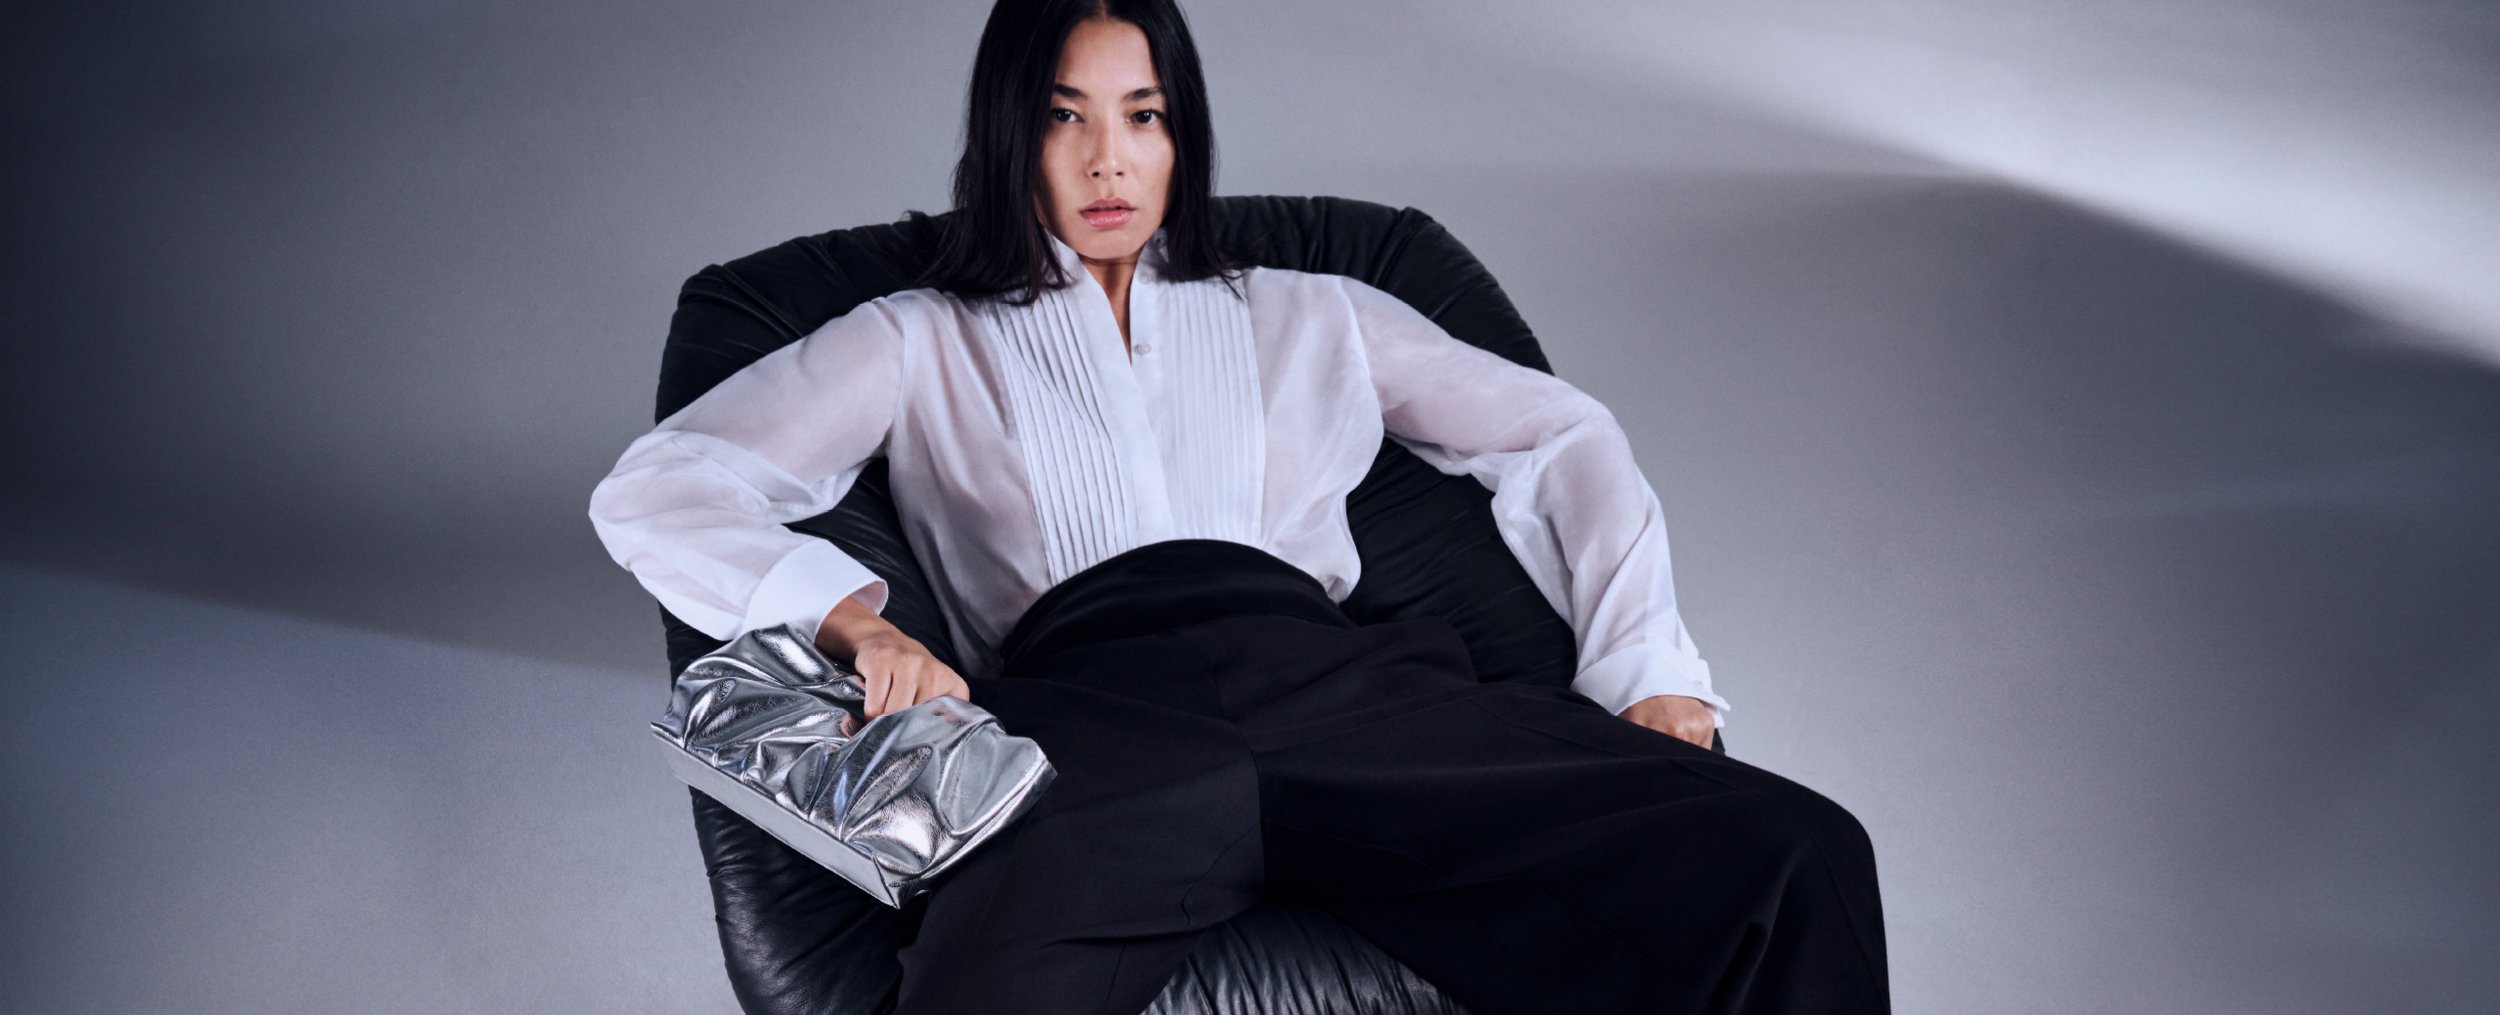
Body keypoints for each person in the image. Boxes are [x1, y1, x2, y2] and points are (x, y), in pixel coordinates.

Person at [587, 1, 1890, 1012]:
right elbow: (658, 491)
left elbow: (1562, 435)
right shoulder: (914, 335)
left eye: (1143, 116)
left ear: (1183, 134)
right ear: (1007, 135)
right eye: (1063, 118)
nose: (1109, 159)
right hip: (1086, 723)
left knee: (1796, 854)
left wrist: (1650, 672)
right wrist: (856, 625)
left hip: (1351, 697)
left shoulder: (1312, 309)